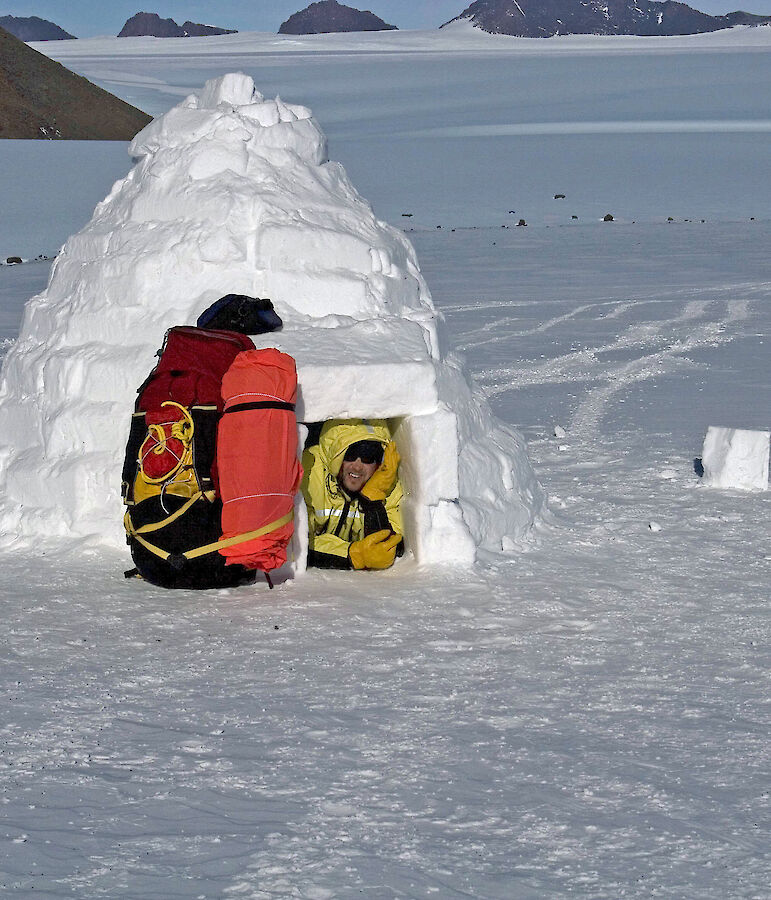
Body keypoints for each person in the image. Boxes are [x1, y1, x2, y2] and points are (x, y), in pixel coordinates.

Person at [301, 418, 404, 570]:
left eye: (368, 456)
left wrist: (373, 498)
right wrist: (354, 555)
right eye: (350, 454)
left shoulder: (387, 483)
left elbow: (387, 549)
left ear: (379, 461)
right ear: (335, 454)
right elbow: (296, 544)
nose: (357, 466)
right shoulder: (310, 473)